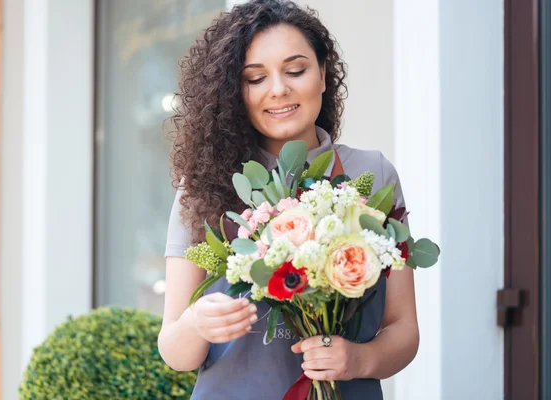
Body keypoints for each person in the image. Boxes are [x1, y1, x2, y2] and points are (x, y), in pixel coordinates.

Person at [158, 1, 419, 399]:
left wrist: (357, 361)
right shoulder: (203, 186)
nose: (279, 89)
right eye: (255, 78)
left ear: (323, 75)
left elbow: (403, 327)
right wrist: (196, 324)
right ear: (234, 93)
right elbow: (174, 350)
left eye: (295, 70)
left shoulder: (373, 175)